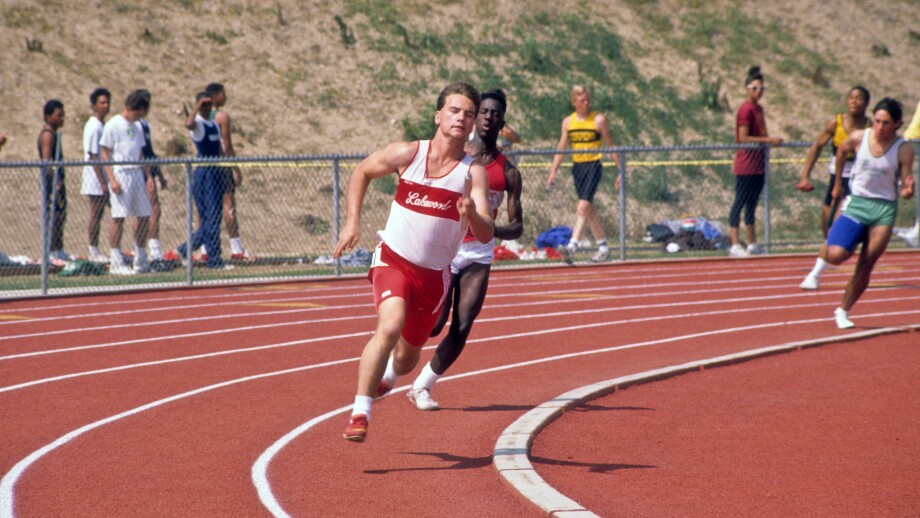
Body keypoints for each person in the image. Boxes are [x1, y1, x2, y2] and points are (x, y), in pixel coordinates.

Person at [336, 81, 494, 442]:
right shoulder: (409, 153)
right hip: (393, 258)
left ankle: (389, 376)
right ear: (438, 115)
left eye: (468, 114)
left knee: (407, 360)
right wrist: (352, 222)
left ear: (472, 126)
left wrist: (472, 213)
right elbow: (362, 171)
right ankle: (360, 412)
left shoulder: (473, 174)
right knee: (389, 326)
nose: (461, 118)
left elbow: (486, 234)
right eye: (454, 110)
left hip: (433, 277)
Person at [395, 89, 523, 411]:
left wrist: (485, 226)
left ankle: (422, 385)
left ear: (501, 122)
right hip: (447, 249)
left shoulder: (508, 173)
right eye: (484, 112)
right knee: (434, 324)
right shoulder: (457, 156)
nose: (489, 118)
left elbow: (517, 225)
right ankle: (393, 345)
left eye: (496, 114)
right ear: (475, 117)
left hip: (479, 251)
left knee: (462, 326)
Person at [822, 98, 915, 329]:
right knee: (835, 255)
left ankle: (843, 310)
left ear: (896, 124)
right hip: (857, 203)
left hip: (883, 209)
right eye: (877, 121)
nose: (880, 127)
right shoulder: (859, 137)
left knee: (867, 262)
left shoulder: (902, 149)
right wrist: (838, 183)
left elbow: (905, 188)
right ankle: (853, 238)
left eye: (885, 123)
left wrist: (907, 190)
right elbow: (841, 151)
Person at [796, 86, 871, 290]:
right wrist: (805, 175)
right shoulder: (835, 122)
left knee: (835, 228)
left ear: (866, 104)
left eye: (859, 98)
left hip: (856, 184)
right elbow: (817, 147)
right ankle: (841, 248)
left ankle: (815, 275)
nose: (854, 102)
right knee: (827, 227)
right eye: (851, 98)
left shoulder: (869, 128)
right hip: (835, 181)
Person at [547, 85, 619, 264]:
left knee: (582, 207)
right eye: (582, 100)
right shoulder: (568, 122)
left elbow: (611, 145)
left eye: (588, 100)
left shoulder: (598, 120)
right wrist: (553, 171)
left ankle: (572, 246)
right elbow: (561, 148)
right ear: (574, 102)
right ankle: (603, 247)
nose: (586, 103)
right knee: (590, 210)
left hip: (593, 165)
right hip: (577, 167)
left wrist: (620, 170)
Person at [169, 92, 232, 270]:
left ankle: (195, 252)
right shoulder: (198, 125)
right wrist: (196, 108)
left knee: (213, 219)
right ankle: (210, 258)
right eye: (203, 105)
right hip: (204, 172)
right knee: (210, 219)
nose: (206, 108)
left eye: (208, 105)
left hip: (215, 171)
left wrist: (225, 171)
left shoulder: (213, 124)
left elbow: (220, 149)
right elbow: (188, 124)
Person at [728, 66, 783, 257]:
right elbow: (744, 137)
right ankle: (734, 243)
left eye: (761, 88)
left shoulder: (758, 108)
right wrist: (769, 141)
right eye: (754, 88)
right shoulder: (745, 109)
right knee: (740, 202)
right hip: (746, 164)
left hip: (758, 165)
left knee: (752, 204)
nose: (758, 92)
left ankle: (752, 242)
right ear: (747, 88)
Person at [100, 90, 154, 275]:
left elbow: (140, 153)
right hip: (121, 173)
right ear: (130, 108)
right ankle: (116, 260)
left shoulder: (138, 126)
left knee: (144, 215)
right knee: (119, 217)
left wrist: (148, 177)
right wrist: (112, 179)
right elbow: (105, 153)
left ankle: (140, 258)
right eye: (137, 112)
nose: (139, 117)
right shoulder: (113, 124)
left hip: (137, 173)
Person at [205, 82, 252, 261]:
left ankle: (204, 250)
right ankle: (236, 248)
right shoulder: (221, 117)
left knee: (206, 209)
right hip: (221, 165)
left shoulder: (201, 118)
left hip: (205, 166)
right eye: (223, 94)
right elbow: (227, 145)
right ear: (216, 95)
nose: (225, 97)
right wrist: (235, 167)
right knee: (228, 205)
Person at [81, 87, 112, 263]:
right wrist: (102, 182)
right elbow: (93, 156)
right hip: (95, 177)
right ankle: (93, 249)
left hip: (102, 176)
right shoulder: (93, 126)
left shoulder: (102, 125)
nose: (105, 106)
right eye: (102, 103)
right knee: (96, 213)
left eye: (107, 102)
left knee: (103, 213)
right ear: (94, 105)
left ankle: (103, 248)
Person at [136, 90, 168, 261]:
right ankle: (147, 249)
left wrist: (160, 174)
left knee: (153, 209)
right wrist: (148, 174)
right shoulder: (136, 125)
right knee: (148, 210)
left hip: (150, 169)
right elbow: (139, 152)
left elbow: (150, 151)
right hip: (141, 171)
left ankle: (151, 247)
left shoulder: (145, 124)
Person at [38, 99, 69, 262]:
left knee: (61, 215)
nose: (61, 118)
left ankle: (59, 248)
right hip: (52, 184)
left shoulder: (55, 133)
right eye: (58, 115)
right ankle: (51, 251)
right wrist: (55, 180)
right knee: (54, 215)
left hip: (58, 182)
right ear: (48, 116)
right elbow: (47, 160)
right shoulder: (48, 135)